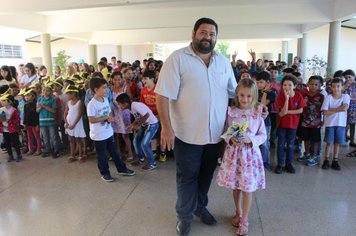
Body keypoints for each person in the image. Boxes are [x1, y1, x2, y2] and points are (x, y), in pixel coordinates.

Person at [155, 18, 237, 236]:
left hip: (215, 135)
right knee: (187, 177)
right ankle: (184, 216)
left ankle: (200, 207)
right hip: (186, 135)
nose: (207, 37)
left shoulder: (223, 62)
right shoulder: (177, 59)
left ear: (216, 38)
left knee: (206, 175)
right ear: (193, 33)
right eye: (203, 32)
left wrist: (256, 108)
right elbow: (162, 95)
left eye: (212, 34)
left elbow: (235, 94)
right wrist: (166, 127)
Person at [216, 79, 266, 236]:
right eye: (242, 95)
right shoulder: (231, 112)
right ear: (237, 95)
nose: (245, 99)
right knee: (236, 186)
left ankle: (245, 219)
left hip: (250, 157)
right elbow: (226, 131)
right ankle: (237, 212)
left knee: (247, 188)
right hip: (234, 156)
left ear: (254, 96)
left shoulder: (257, 113)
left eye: (249, 96)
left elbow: (263, 135)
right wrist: (230, 139)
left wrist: (251, 140)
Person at [87, 77, 135, 182]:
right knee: (102, 155)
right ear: (96, 90)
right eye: (104, 88)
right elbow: (92, 120)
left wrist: (109, 118)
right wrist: (105, 118)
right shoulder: (92, 104)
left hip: (108, 131)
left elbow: (108, 112)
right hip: (98, 135)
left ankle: (122, 169)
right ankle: (105, 173)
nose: (106, 90)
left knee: (115, 152)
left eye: (107, 87)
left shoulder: (105, 100)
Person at [116, 93, 159, 171]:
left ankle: (152, 163)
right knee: (136, 141)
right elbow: (138, 117)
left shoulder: (135, 105)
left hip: (152, 124)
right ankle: (141, 159)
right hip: (144, 124)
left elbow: (147, 115)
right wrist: (132, 124)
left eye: (119, 104)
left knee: (144, 144)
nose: (119, 106)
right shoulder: (130, 108)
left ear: (125, 104)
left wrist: (138, 125)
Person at [274, 74, 306, 174]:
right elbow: (282, 113)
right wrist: (287, 99)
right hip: (282, 125)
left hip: (293, 126)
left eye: (289, 85)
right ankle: (280, 164)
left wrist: (287, 112)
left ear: (294, 86)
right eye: (284, 85)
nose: (287, 87)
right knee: (280, 145)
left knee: (291, 145)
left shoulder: (298, 95)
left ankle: (289, 164)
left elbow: (300, 110)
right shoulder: (280, 96)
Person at [321, 78, 350, 171]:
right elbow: (324, 112)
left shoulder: (345, 96)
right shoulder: (328, 97)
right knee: (329, 143)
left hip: (341, 124)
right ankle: (326, 160)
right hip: (330, 124)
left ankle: (335, 160)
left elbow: (344, 108)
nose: (336, 88)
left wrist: (330, 110)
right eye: (334, 86)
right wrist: (339, 108)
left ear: (342, 87)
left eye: (338, 86)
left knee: (337, 143)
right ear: (331, 87)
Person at [298, 76, 324, 166]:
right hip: (305, 121)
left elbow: (324, 109)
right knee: (306, 138)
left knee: (315, 140)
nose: (313, 86)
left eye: (316, 84)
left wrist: (323, 120)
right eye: (312, 84)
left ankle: (315, 156)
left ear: (319, 85)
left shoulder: (321, 97)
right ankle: (307, 153)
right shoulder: (304, 96)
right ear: (308, 84)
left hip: (316, 123)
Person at [256, 71, 276, 170]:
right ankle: (256, 161)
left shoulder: (272, 93)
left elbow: (263, 105)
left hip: (265, 122)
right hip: (254, 121)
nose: (258, 84)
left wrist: (264, 93)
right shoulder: (254, 91)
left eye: (261, 82)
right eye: (257, 82)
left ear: (267, 83)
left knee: (264, 143)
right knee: (256, 143)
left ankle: (265, 161)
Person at [36, 84, 60, 158]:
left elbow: (54, 111)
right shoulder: (39, 99)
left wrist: (44, 106)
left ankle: (56, 150)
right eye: (44, 90)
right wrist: (40, 107)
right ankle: (47, 149)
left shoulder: (52, 99)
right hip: (42, 121)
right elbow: (37, 110)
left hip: (51, 121)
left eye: (47, 91)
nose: (45, 92)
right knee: (45, 137)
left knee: (53, 137)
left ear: (50, 92)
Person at [64, 85, 87, 163]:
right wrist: (66, 122)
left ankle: (80, 155)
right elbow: (65, 113)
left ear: (73, 94)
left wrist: (74, 124)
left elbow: (79, 114)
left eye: (68, 94)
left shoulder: (79, 102)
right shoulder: (68, 103)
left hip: (77, 123)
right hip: (69, 122)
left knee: (78, 140)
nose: (67, 95)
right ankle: (72, 155)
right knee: (71, 140)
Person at [0, 93, 22, 162]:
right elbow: (2, 119)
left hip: (13, 129)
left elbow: (17, 119)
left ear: (9, 101)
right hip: (5, 129)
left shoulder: (13, 110)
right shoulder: (1, 109)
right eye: (1, 101)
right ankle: (10, 155)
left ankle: (19, 155)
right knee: (7, 143)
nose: (2, 102)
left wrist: (10, 122)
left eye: (4, 100)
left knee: (15, 142)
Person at [23, 90, 41, 156]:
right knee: (29, 137)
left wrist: (38, 124)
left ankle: (39, 149)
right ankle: (31, 149)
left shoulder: (36, 104)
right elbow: (25, 115)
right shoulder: (26, 105)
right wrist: (24, 124)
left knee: (37, 137)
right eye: (25, 96)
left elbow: (38, 115)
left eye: (28, 95)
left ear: (33, 97)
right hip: (28, 124)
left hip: (35, 124)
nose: (26, 97)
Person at [343, 70, 356, 147]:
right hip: (345, 106)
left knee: (353, 123)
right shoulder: (344, 85)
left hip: (354, 107)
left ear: (354, 77)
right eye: (346, 78)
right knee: (345, 123)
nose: (347, 79)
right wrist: (345, 85)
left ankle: (352, 140)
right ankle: (344, 136)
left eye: (349, 77)